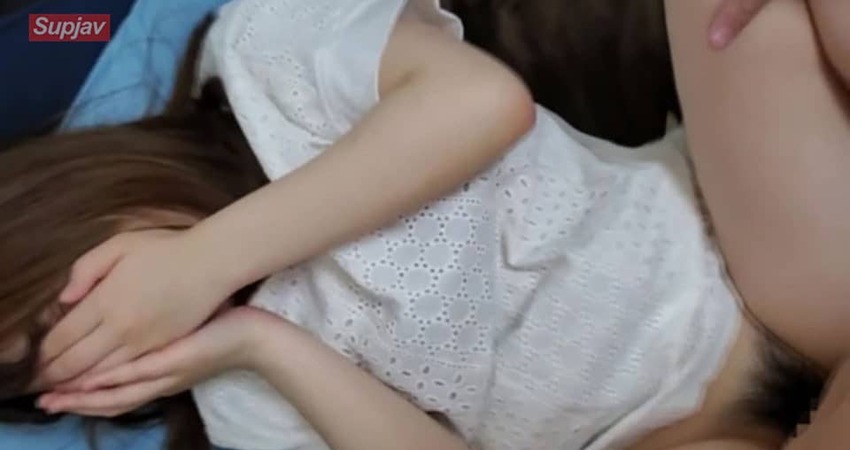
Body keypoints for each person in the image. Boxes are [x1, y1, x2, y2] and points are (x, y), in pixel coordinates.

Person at [0, 1, 847, 450]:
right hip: (685, 433)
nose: (98, 333)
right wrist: (257, 343)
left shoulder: (264, 60)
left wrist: (203, 261)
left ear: (65, 208)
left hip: (743, 264)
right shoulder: (242, 402)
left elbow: (483, 105)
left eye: (58, 306)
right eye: (48, 359)